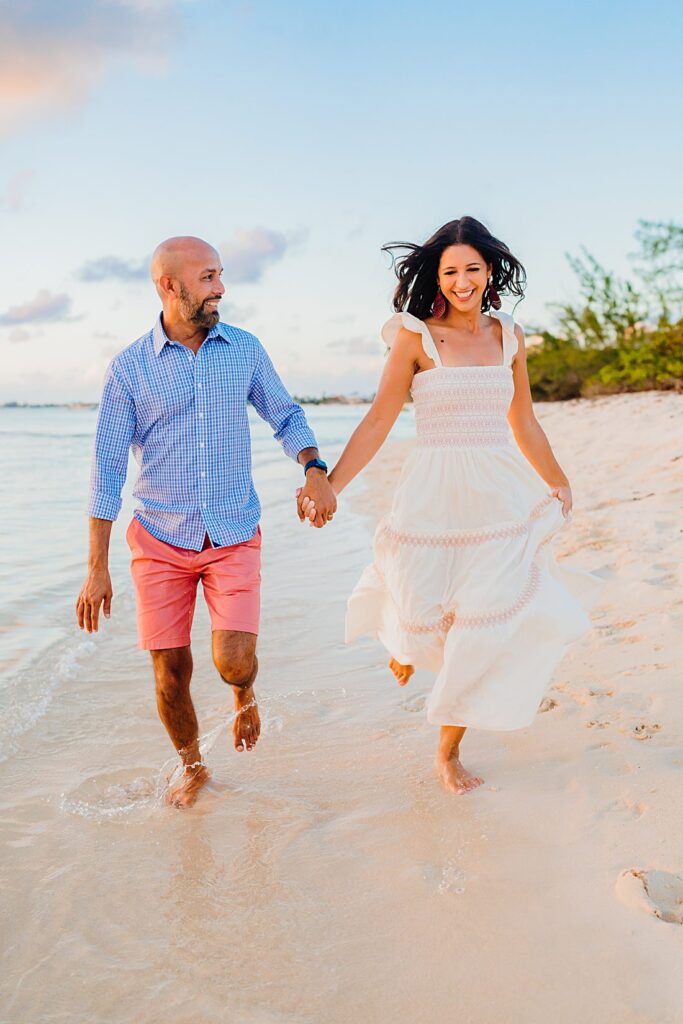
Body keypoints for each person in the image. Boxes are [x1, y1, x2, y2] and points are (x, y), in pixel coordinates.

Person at [298, 217, 601, 795]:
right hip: (432, 496)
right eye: (451, 271)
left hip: (499, 497)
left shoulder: (508, 335)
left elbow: (525, 421)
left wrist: (559, 482)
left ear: (491, 271)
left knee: (483, 626)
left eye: (472, 269)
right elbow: (380, 419)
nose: (463, 282)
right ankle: (402, 643)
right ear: (437, 276)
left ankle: (447, 752)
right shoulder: (415, 336)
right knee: (419, 614)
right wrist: (330, 482)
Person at [77, 236, 337, 808]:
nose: (221, 288)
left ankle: (244, 693)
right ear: (170, 286)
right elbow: (107, 469)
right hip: (159, 537)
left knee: (232, 660)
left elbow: (284, 413)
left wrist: (314, 467)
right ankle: (192, 764)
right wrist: (96, 567)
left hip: (233, 532)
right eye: (208, 278)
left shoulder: (242, 349)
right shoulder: (128, 370)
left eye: (220, 276)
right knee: (170, 670)